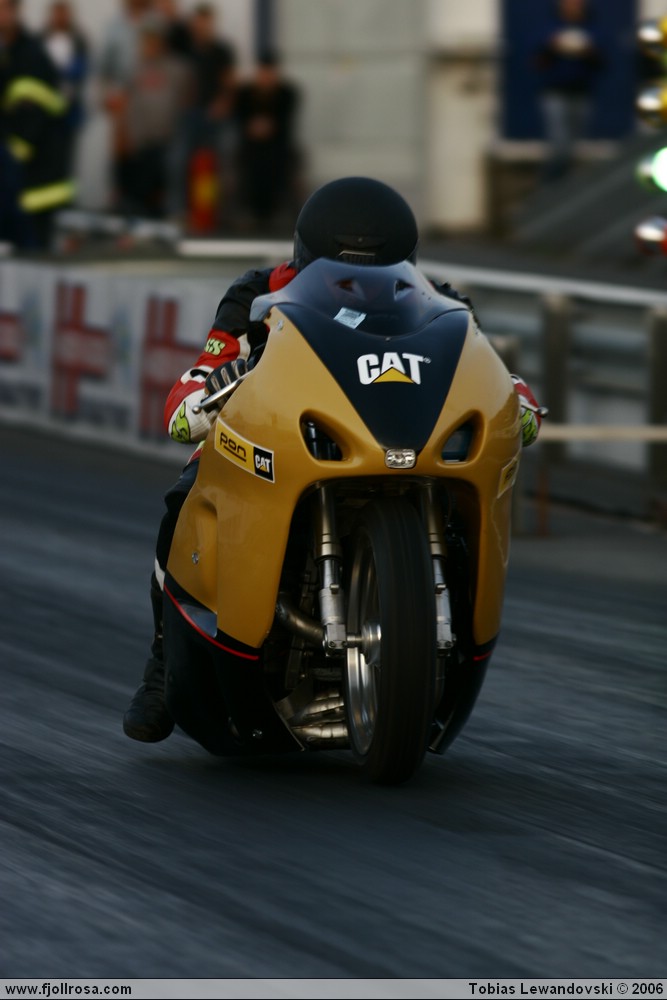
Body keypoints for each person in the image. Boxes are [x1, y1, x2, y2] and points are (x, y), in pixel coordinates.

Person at [122, 176, 543, 743]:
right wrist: (205, 390)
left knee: (460, 519)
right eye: (341, 269)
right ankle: (160, 667)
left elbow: (483, 365)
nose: (359, 281)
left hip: (398, 441)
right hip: (292, 437)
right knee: (183, 500)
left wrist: (515, 397)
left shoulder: (440, 303)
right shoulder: (257, 293)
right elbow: (204, 371)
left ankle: (442, 637)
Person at [0, 0, 75, 250]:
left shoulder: (29, 56)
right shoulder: (9, 54)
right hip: (21, 183)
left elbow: (28, 124)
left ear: (15, 11)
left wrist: (8, 162)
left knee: (33, 257)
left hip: (38, 181)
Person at [115, 14, 191, 218]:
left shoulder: (176, 69)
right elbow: (123, 103)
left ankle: (172, 211)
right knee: (137, 182)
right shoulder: (133, 70)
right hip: (141, 141)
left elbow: (187, 97)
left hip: (167, 139)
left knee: (172, 168)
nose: (150, 45)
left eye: (154, 39)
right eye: (146, 40)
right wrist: (123, 134)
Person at [534, 0, 604, 181]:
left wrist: (588, 51)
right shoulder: (549, 28)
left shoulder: (592, 29)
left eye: (576, 3)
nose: (573, 6)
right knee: (559, 144)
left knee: (573, 144)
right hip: (555, 92)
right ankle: (551, 181)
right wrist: (551, 47)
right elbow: (537, 62)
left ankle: (564, 183)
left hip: (582, 92)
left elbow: (602, 63)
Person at [235, 50, 300, 231]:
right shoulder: (245, 93)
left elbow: (284, 122)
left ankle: (274, 210)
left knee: (277, 160)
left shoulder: (287, 93)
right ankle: (252, 209)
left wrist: (266, 127)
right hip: (251, 145)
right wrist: (255, 127)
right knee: (250, 161)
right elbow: (241, 119)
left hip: (277, 144)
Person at [41, 0, 89, 174]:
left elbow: (81, 70)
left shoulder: (78, 40)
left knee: (67, 160)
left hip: (69, 111)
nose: (60, 17)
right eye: (57, 13)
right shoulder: (41, 39)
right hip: (44, 112)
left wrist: (61, 73)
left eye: (64, 13)